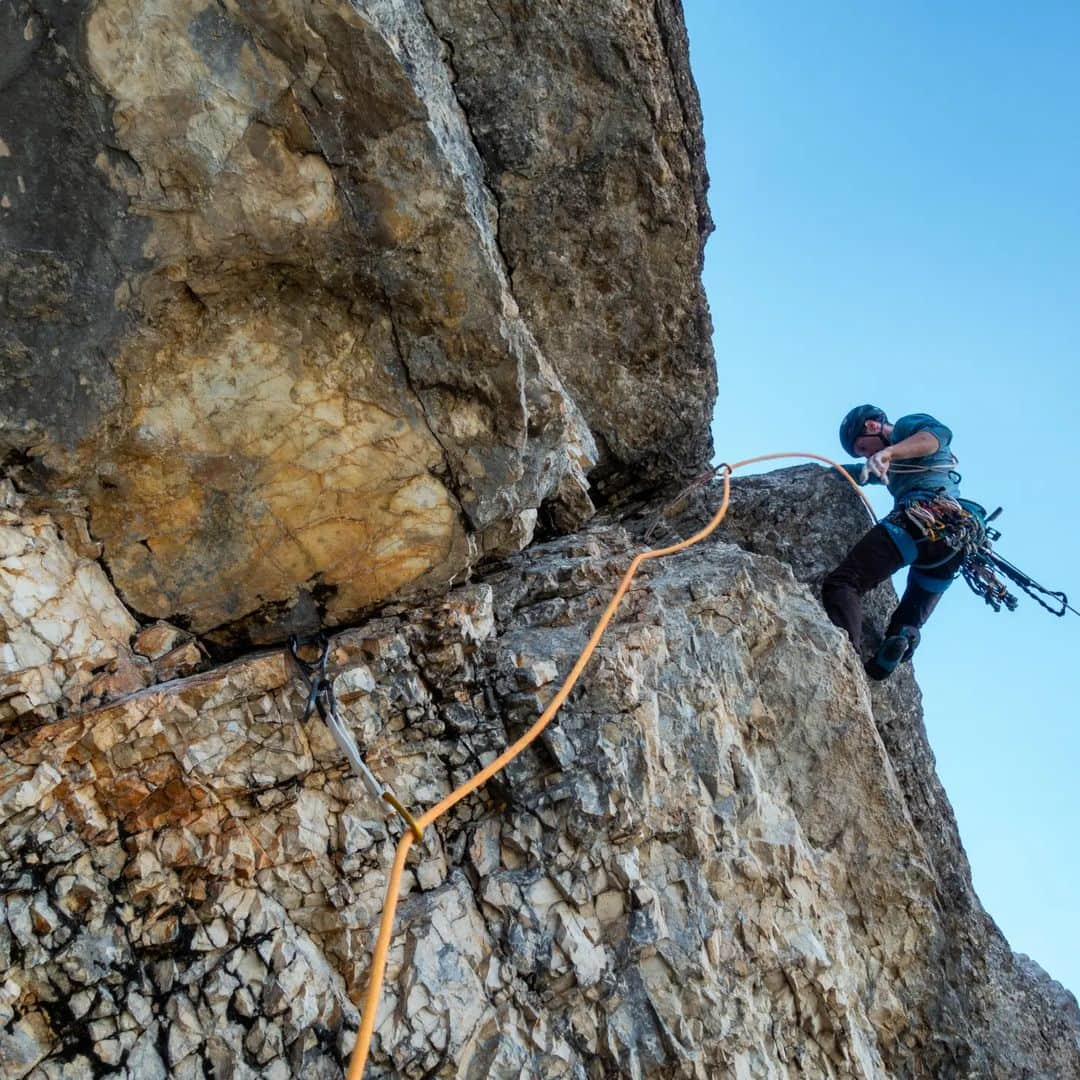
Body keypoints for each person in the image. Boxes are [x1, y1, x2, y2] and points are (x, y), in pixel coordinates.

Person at [822, 405, 982, 680]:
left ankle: (844, 656)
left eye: (864, 447)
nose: (867, 455)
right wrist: (826, 471)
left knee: (845, 583)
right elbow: (859, 473)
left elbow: (933, 440)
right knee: (909, 616)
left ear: (872, 426)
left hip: (918, 521)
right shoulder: (888, 464)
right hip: (953, 544)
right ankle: (897, 644)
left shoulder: (908, 428)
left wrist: (888, 452)